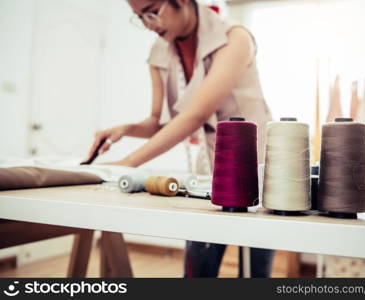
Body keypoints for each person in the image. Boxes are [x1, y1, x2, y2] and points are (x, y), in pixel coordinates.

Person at [85, 0, 274, 277]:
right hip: (209, 170)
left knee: (255, 274)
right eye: (139, 17)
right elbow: (158, 121)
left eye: (152, 11)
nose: (148, 24)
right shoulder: (159, 51)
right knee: (197, 271)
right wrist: (126, 129)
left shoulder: (235, 39)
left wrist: (126, 163)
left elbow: (196, 115)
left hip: (256, 165)